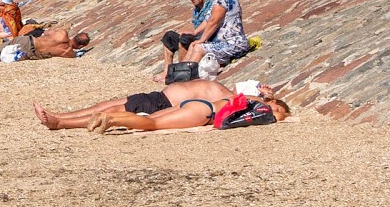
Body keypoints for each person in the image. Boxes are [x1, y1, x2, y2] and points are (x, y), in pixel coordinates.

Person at [32, 78, 286, 131]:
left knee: (110, 110)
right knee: (106, 104)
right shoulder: (231, 94)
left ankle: (61, 122)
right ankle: (61, 117)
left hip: (163, 102)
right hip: (162, 97)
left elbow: (257, 108)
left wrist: (267, 100)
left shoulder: (240, 100)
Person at [185, 0, 249, 75]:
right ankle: (178, 73)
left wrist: (202, 39)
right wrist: (195, 33)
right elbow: (207, 20)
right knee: (192, 45)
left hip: (233, 43)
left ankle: (187, 76)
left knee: (199, 48)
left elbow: (214, 21)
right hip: (225, 42)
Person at [159, 0, 213, 81]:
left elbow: (210, 24)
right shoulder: (197, 10)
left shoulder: (211, 7)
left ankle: (178, 72)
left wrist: (193, 34)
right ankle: (167, 71)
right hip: (196, 38)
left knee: (184, 39)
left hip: (205, 41)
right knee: (169, 37)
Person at [0, 27, 89, 64]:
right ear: (80, 46)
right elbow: (72, 54)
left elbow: (44, 33)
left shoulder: (62, 34)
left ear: (75, 36)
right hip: (30, 54)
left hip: (29, 42)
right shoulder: (69, 54)